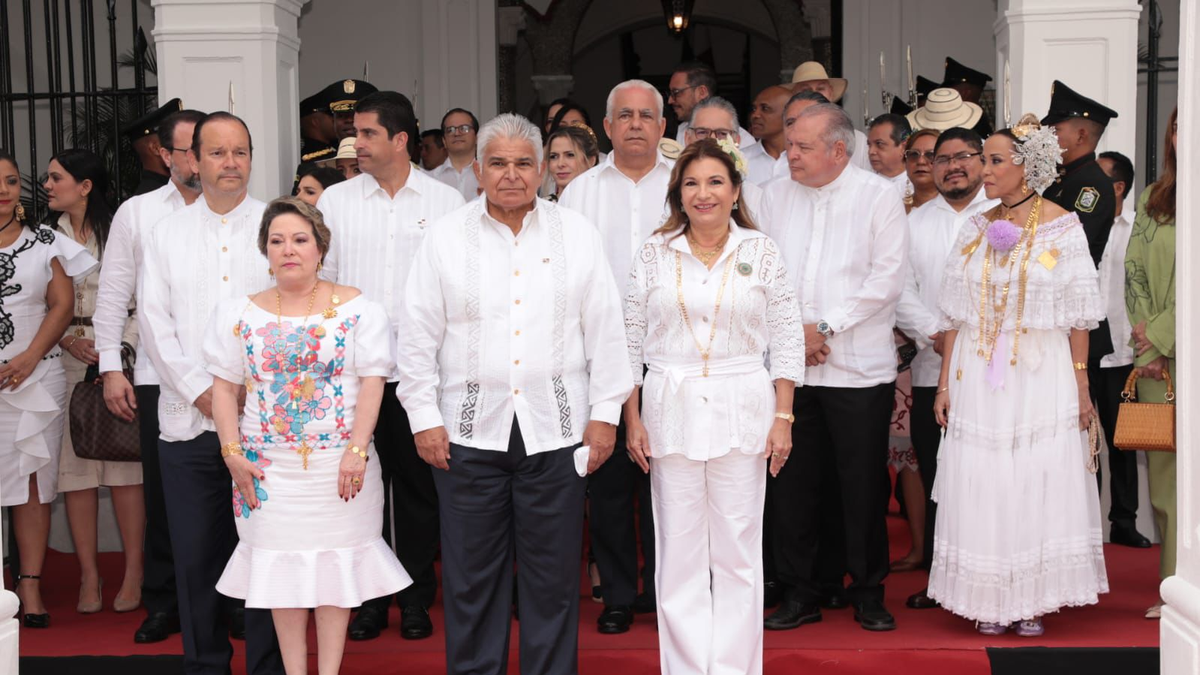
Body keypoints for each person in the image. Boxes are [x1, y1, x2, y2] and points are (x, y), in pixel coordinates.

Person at [397, 112, 633, 675]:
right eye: (497, 163)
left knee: (552, 580)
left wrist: (605, 417)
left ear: (543, 170)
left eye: (524, 163)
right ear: (477, 170)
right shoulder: (446, 238)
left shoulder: (575, 233)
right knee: (472, 578)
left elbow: (605, 328)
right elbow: (416, 336)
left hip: (557, 431)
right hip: (466, 433)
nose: (510, 175)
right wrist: (424, 418)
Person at [203, 197, 410, 675]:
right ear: (265, 250)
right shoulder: (240, 313)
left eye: (299, 240)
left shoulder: (356, 308)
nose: (288, 250)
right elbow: (223, 389)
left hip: (343, 466)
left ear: (320, 247)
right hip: (265, 471)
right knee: (281, 574)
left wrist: (357, 451)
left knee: (337, 574)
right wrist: (231, 454)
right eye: (277, 241)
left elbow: (373, 382)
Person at [624, 139, 803, 675]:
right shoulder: (653, 252)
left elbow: (787, 336)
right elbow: (630, 339)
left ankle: (734, 668)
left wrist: (784, 417)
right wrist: (631, 417)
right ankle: (685, 667)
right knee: (677, 552)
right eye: (692, 183)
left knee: (738, 552)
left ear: (736, 190)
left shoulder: (761, 251)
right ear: (678, 193)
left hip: (743, 405)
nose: (704, 194)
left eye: (715, 182)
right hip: (668, 409)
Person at [929, 114, 1109, 636]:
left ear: (1028, 168)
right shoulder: (977, 225)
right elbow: (956, 315)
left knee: (1034, 477)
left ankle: (1030, 597)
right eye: (982, 158)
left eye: (993, 160)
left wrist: (1080, 386)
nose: (981, 169)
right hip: (977, 370)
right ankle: (987, 596)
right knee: (985, 477)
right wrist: (944, 383)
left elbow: (1079, 317)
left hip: (1039, 371)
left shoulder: (1063, 225)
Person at [316, 90, 465, 642]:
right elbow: (322, 284)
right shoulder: (336, 202)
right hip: (354, 376)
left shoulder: (447, 203)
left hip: (421, 376)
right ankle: (370, 599)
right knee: (360, 489)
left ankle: (416, 595)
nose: (355, 144)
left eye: (368, 134)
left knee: (419, 490)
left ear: (401, 140)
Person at [140, 111, 283, 674]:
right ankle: (206, 665)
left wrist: (256, 391)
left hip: (266, 424)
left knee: (269, 560)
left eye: (241, 152)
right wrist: (204, 392)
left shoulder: (279, 225)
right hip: (188, 424)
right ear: (193, 160)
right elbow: (154, 324)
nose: (230, 164)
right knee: (196, 560)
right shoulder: (166, 232)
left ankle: (270, 666)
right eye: (218, 153)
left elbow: (298, 314)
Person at [761, 102, 906, 633]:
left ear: (838, 150)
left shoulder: (879, 197)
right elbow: (764, 271)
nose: (789, 154)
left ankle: (867, 589)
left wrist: (821, 329)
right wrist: (794, 333)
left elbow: (885, 280)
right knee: (794, 484)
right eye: (790, 144)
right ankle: (802, 591)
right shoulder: (772, 195)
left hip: (858, 370)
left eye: (801, 147)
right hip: (790, 372)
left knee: (862, 484)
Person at [558, 79, 672, 634]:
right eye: (623, 115)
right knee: (606, 483)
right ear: (605, 127)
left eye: (645, 116)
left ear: (662, 126)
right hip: (598, 355)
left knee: (666, 478)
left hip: (672, 355)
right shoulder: (578, 192)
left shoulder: (685, 185)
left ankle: (665, 590)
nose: (634, 124)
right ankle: (619, 594)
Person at [95, 108, 205, 644]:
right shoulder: (137, 214)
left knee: (238, 490)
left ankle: (231, 601)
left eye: (202, 147)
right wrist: (112, 369)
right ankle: (165, 602)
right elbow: (114, 298)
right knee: (164, 496)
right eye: (186, 150)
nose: (198, 159)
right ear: (164, 156)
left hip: (229, 377)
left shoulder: (238, 213)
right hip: (160, 377)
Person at [894, 127, 996, 610]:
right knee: (938, 475)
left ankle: (992, 575)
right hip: (934, 369)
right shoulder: (912, 222)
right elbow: (899, 287)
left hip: (994, 373)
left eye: (964, 157)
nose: (953, 166)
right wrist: (935, 332)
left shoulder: (1003, 217)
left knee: (989, 476)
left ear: (982, 161)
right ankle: (942, 579)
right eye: (942, 159)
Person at [43, 149, 146, 617]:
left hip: (123, 359)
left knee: (125, 469)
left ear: (85, 186)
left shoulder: (121, 229)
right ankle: (88, 575)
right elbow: (34, 302)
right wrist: (65, 340)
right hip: (65, 362)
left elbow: (141, 300)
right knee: (76, 475)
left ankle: (134, 572)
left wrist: (117, 354)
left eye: (55, 177)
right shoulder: (45, 237)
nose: (46, 185)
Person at [0, 151, 98, 629]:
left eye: (12, 181)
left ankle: (30, 584)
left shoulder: (45, 242)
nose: (4, 190)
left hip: (36, 376)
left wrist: (28, 357)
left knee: (34, 483)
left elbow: (61, 306)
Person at [1125, 106, 1177, 620]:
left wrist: (1161, 337)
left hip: (1187, 356)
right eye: (1179, 125)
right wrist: (1148, 341)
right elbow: (1133, 270)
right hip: (1157, 365)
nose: (1185, 135)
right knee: (1164, 480)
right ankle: (1176, 587)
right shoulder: (1153, 198)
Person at [1041, 81, 1120, 375]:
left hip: (1074, 319)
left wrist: (1030, 264)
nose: (1050, 137)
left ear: (1081, 135)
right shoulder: (1062, 180)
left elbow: (1067, 249)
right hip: (1052, 315)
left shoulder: (1092, 186)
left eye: (1056, 130)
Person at [1093, 150, 1150, 549]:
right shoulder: (1076, 224)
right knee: (1082, 440)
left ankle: (1123, 521)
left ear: (1118, 186)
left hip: (1122, 352)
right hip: (1075, 350)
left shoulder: (1138, 230)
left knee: (1122, 441)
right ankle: (1083, 523)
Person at [682, 97, 763, 216]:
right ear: (687, 138)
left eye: (722, 134)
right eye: (702, 132)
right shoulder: (667, 188)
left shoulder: (754, 198)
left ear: (737, 141)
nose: (712, 140)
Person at [769, 89, 870, 178]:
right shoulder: (772, 192)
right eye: (791, 122)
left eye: (808, 121)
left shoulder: (875, 192)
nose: (797, 129)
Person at [669, 62, 752, 148]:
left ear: (702, 92)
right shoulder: (677, 133)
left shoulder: (745, 142)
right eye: (701, 132)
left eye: (676, 92)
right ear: (687, 138)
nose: (670, 100)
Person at [121, 98, 184, 196]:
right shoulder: (148, 199)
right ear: (156, 148)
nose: (188, 150)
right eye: (177, 140)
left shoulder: (177, 188)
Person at [430, 108, 482, 201]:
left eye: (464, 128)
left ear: (477, 137)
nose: (457, 133)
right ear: (444, 141)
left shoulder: (488, 176)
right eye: (450, 130)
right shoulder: (431, 179)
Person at [744, 85, 792, 185]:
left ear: (788, 114)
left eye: (765, 108)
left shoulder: (805, 159)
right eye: (753, 109)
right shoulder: (739, 160)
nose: (755, 115)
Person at [940, 57, 994, 136]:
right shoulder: (955, 118)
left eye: (951, 92)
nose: (946, 96)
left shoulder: (975, 121)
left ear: (965, 94)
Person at [545, 124, 599, 201]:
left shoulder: (603, 204)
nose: (560, 164)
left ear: (591, 161)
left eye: (570, 155)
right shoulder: (538, 208)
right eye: (553, 156)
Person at [867, 113, 913, 201]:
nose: (871, 152)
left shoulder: (919, 186)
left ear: (903, 147)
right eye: (869, 145)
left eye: (879, 144)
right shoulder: (863, 185)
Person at [903, 129, 941, 212]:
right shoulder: (895, 210)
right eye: (914, 154)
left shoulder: (957, 208)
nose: (921, 161)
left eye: (930, 155)